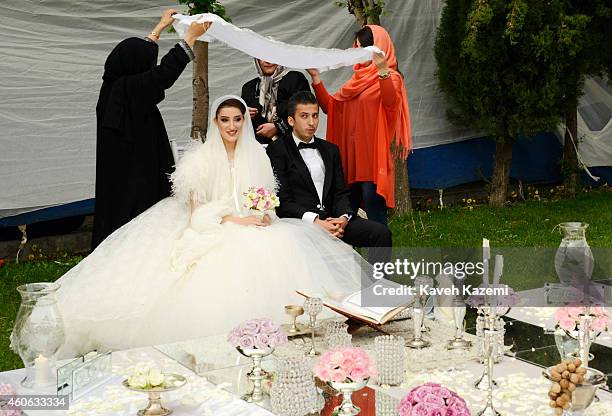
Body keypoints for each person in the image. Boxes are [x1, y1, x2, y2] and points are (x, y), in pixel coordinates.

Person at [54, 95, 370, 358]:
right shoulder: (200, 160)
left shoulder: (258, 157)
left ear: (244, 123)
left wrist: (262, 215)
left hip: (253, 226)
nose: (232, 126)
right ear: (215, 123)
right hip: (215, 227)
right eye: (224, 120)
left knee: (281, 248)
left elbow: (267, 200)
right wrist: (237, 220)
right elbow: (198, 215)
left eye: (237, 120)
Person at [91, 10, 210, 249]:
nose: (150, 68)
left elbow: (139, 56)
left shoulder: (114, 83)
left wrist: (160, 26)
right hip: (134, 176)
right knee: (139, 225)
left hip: (121, 174)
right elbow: (163, 74)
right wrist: (190, 37)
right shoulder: (129, 89)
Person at [266, 91, 392, 265]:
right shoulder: (277, 150)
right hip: (302, 223)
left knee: (381, 233)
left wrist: (343, 219)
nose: (311, 122)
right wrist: (316, 221)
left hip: (334, 219)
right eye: (304, 116)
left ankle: (377, 286)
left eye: (315, 116)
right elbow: (283, 201)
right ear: (290, 120)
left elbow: (341, 192)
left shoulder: (330, 149)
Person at [306, 25, 411, 227]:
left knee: (376, 219)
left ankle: (379, 260)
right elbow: (331, 107)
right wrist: (316, 79)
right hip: (350, 162)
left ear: (379, 47)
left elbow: (390, 103)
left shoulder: (391, 78)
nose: (360, 53)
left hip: (372, 162)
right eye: (358, 47)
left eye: (365, 48)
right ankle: (351, 259)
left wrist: (382, 71)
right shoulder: (354, 82)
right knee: (345, 218)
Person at [241, 59, 311, 145]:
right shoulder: (248, 88)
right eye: (262, 57)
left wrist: (278, 127)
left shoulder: (295, 79)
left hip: (294, 147)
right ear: (257, 60)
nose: (268, 61)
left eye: (271, 56)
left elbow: (307, 113)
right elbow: (243, 128)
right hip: (260, 150)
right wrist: (242, 116)